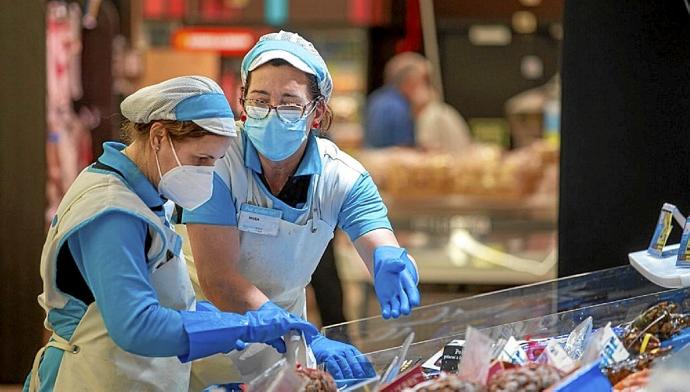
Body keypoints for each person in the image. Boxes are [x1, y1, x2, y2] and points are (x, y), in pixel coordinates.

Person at [24, 76, 318, 391]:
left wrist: (264, 325)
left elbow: (171, 305)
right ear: (159, 136)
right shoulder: (112, 211)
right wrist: (242, 326)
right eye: (201, 159)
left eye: (215, 162)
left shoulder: (146, 197)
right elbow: (137, 326)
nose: (207, 173)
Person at [179, 31, 421, 386]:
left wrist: (392, 260)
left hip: (284, 345)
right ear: (243, 102)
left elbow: (378, 239)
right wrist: (304, 336)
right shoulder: (216, 160)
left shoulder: (342, 175)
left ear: (317, 112)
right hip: (204, 335)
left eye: (290, 103)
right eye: (260, 100)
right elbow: (219, 280)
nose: (273, 113)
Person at [364, 52, 431, 148]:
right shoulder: (400, 107)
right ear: (410, 81)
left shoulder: (376, 97)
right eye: (422, 81)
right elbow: (404, 148)